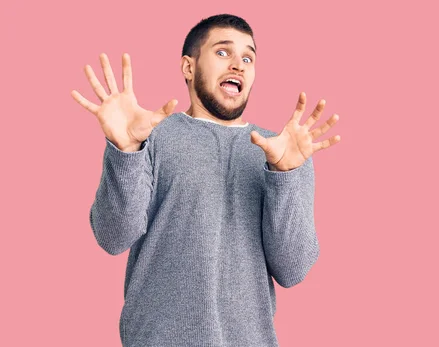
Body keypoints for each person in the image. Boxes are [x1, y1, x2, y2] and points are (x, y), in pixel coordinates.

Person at [70, 13, 341, 347]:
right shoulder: (151, 136)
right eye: (223, 52)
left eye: (247, 57)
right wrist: (126, 152)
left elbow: (293, 268)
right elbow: (113, 236)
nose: (238, 65)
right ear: (188, 67)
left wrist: (284, 176)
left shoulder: (283, 151)